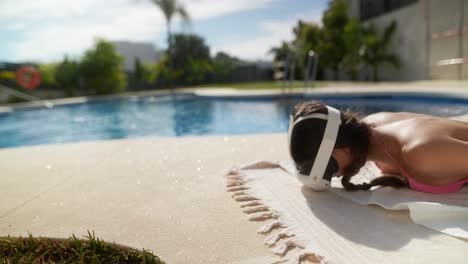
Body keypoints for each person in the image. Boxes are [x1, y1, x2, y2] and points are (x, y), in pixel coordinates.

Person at [288, 100, 468, 194]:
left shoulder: (421, 154)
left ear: (339, 150)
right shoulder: (373, 122)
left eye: (331, 169)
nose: (337, 176)